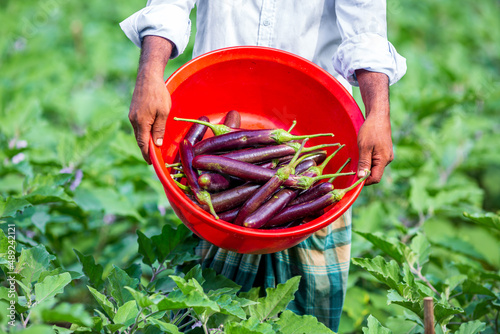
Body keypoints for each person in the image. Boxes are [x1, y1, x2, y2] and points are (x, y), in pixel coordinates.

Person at [120, 1, 406, 331]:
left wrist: (378, 112)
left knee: (304, 310)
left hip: (318, 135)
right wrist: (150, 74)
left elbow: (365, 21)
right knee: (204, 310)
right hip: (220, 114)